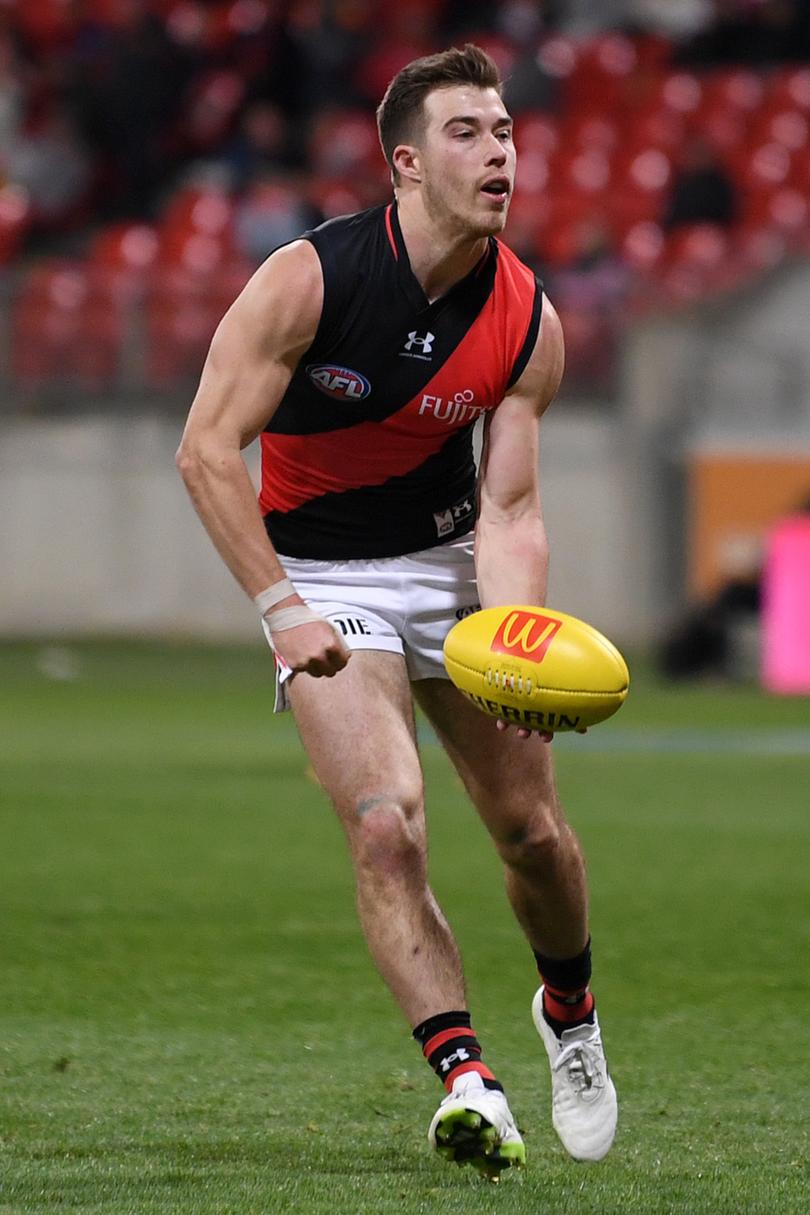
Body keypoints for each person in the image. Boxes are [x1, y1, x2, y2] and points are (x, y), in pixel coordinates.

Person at [176, 44, 617, 1181]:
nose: (499, 151)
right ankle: (469, 1080)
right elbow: (205, 452)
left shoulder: (527, 321)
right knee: (385, 820)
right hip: (323, 578)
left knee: (533, 837)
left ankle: (569, 1014)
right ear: (407, 166)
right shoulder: (307, 279)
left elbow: (511, 504)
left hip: (450, 562)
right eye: (468, 133)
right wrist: (281, 608)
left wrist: (514, 640)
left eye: (507, 130)